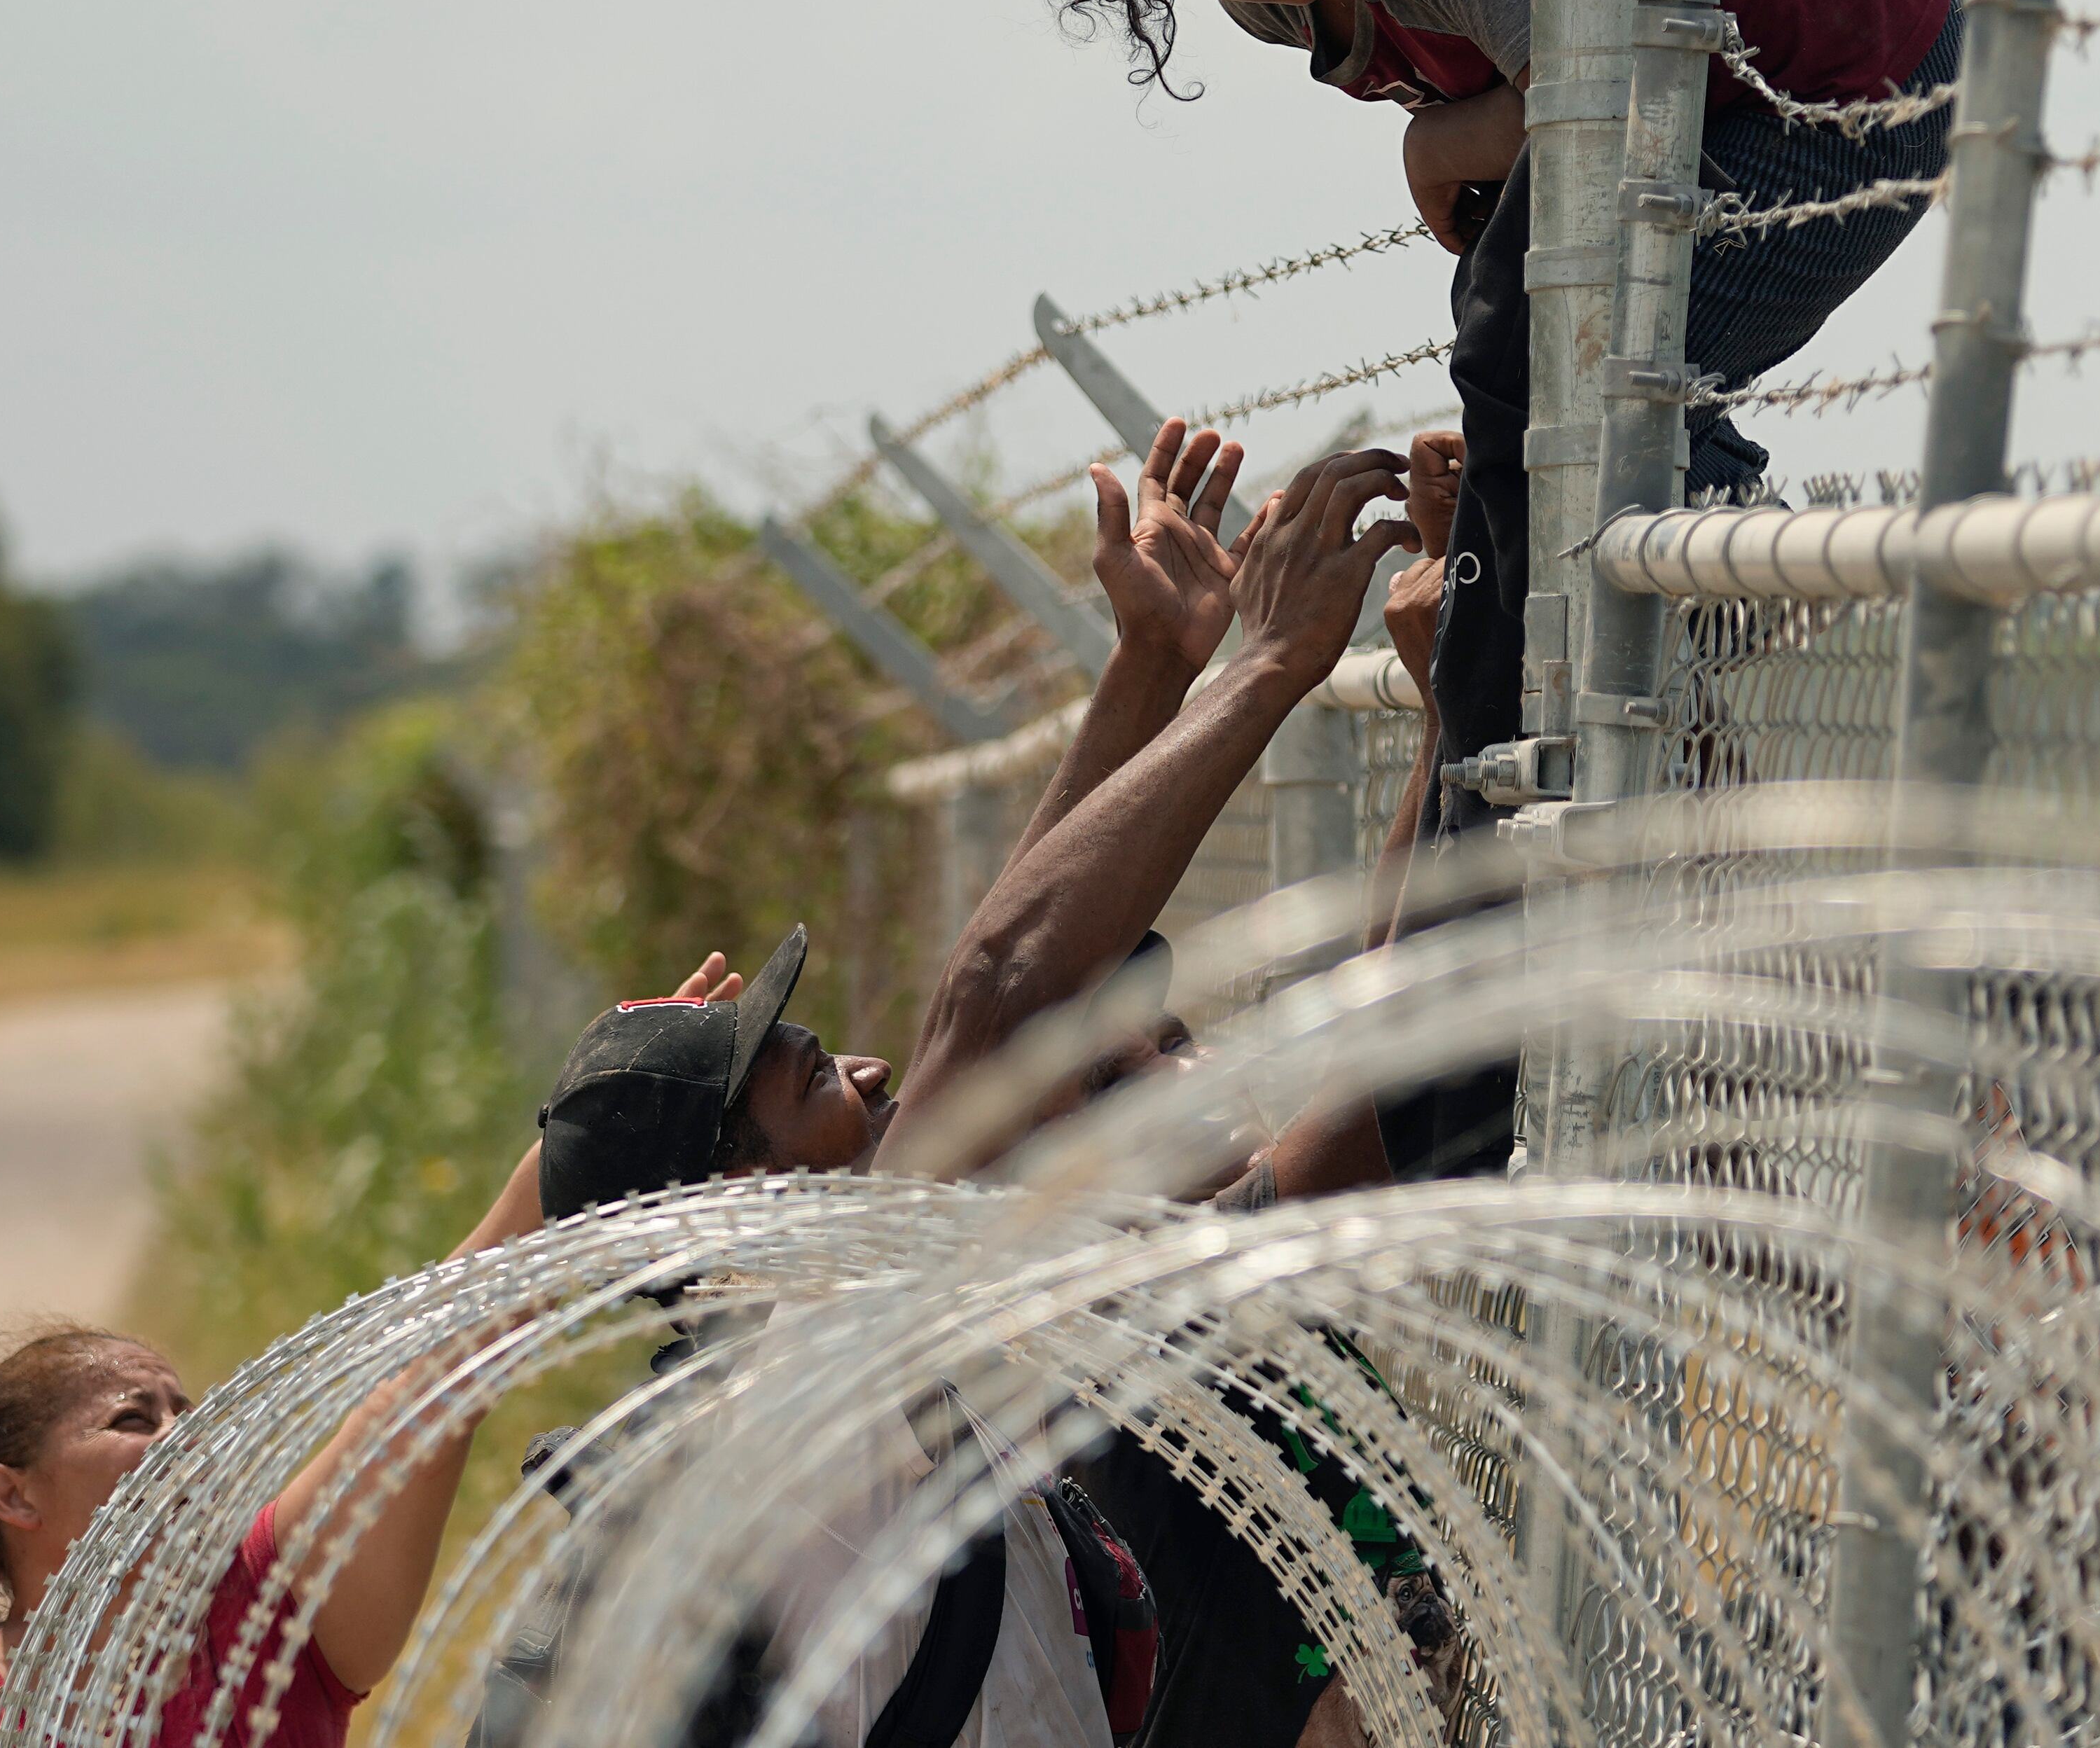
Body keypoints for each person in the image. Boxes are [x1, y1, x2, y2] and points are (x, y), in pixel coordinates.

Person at [499, 426, 1442, 1748]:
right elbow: (1001, 992)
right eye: (816, 1076)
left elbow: (1005, 992)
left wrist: (1155, 667)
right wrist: (1274, 659)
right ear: (742, 1194)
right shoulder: (811, 1386)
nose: (874, 1068)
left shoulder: (863, 1371)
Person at [1009, 0, 1971, 911]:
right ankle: (1602, 687)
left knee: (1551, 361)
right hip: (1719, 81)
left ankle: (1661, 642)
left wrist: (1440, 143)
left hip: (1863, 50)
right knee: (1532, 356)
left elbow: (1615, 100)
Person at [0, 1116, 566, 1748]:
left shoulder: (270, 1616)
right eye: (133, 1419)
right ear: (15, 1496)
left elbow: (426, 1388)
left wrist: (574, 1142)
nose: (186, 1436)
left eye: (184, 1410)